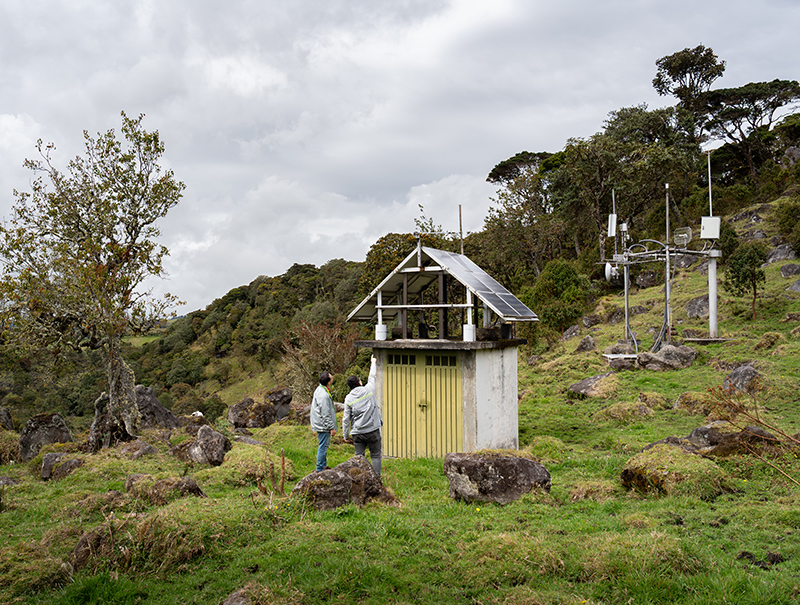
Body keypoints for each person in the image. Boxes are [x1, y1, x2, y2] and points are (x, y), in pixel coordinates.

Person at [342, 355, 382, 477]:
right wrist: (373, 362)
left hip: (358, 432)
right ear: (360, 382)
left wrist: (345, 435)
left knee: (359, 457)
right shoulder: (369, 390)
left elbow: (346, 419)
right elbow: (372, 377)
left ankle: (360, 479)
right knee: (375, 456)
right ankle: (377, 479)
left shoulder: (348, 398)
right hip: (372, 430)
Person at [310, 370, 336, 472]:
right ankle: (320, 469)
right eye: (331, 377)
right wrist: (331, 427)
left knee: (323, 446)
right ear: (328, 382)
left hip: (320, 423)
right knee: (323, 447)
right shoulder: (323, 395)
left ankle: (323, 466)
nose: (332, 377)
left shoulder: (320, 389)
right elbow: (325, 413)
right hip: (323, 425)